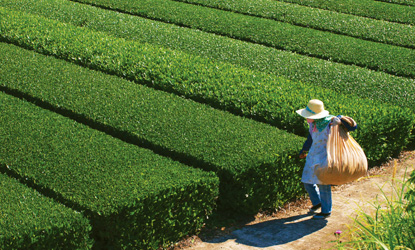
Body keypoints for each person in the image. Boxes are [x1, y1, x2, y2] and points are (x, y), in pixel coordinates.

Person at [296, 99, 357, 219]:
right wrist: (304, 150)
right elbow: (310, 139)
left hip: (326, 156)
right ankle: (317, 202)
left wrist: (340, 119)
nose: (307, 118)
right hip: (313, 155)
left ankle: (326, 210)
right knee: (307, 181)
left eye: (309, 116)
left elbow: (353, 127)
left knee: (323, 184)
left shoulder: (330, 123)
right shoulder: (313, 124)